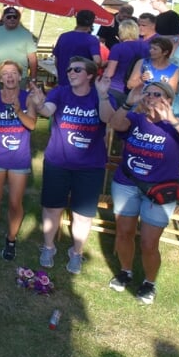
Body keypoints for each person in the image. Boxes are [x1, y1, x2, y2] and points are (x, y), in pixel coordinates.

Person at [105, 82, 179, 305]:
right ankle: (125, 271)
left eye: (158, 94)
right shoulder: (136, 120)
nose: (151, 97)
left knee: (149, 242)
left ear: (169, 99)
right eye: (147, 93)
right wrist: (128, 102)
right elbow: (116, 123)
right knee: (124, 233)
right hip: (126, 184)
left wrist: (173, 119)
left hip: (159, 190)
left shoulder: (176, 126)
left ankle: (149, 282)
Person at [33, 58, 114, 274]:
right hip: (58, 161)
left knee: (83, 214)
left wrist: (103, 94)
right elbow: (48, 111)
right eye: (69, 69)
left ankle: (76, 252)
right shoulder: (60, 92)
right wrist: (40, 103)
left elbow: (109, 119)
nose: (70, 72)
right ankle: (48, 246)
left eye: (77, 69)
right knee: (52, 207)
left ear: (89, 75)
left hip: (90, 165)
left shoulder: (100, 94)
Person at [0, 61, 37, 260]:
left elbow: (31, 125)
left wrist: (19, 111)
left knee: (15, 203)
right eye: (6, 74)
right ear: (0, 77)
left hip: (19, 158)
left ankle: (11, 240)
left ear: (20, 77)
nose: (10, 77)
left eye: (14, 73)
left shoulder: (27, 97)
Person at [52, 10, 101, 84]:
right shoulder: (92, 40)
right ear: (91, 23)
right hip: (81, 83)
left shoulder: (63, 37)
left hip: (63, 80)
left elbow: (56, 61)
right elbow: (97, 61)